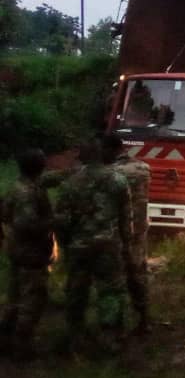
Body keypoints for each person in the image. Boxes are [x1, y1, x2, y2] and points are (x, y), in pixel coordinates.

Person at [55, 138, 132, 354]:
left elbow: (62, 220)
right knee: (110, 290)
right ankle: (109, 337)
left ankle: (74, 337)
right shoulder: (118, 180)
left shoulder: (71, 182)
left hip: (78, 246)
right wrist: (127, 245)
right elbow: (126, 218)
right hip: (107, 245)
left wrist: (64, 244)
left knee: (76, 291)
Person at [0, 149, 54, 360]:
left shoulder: (17, 186)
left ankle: (5, 340)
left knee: (14, 296)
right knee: (33, 299)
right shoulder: (29, 193)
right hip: (30, 253)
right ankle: (23, 347)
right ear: (39, 167)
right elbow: (27, 224)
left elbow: (5, 214)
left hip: (15, 249)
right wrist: (53, 221)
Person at [104, 133, 151, 335]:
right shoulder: (142, 168)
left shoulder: (112, 173)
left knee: (115, 279)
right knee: (137, 274)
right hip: (139, 230)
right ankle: (143, 319)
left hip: (118, 232)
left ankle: (116, 325)